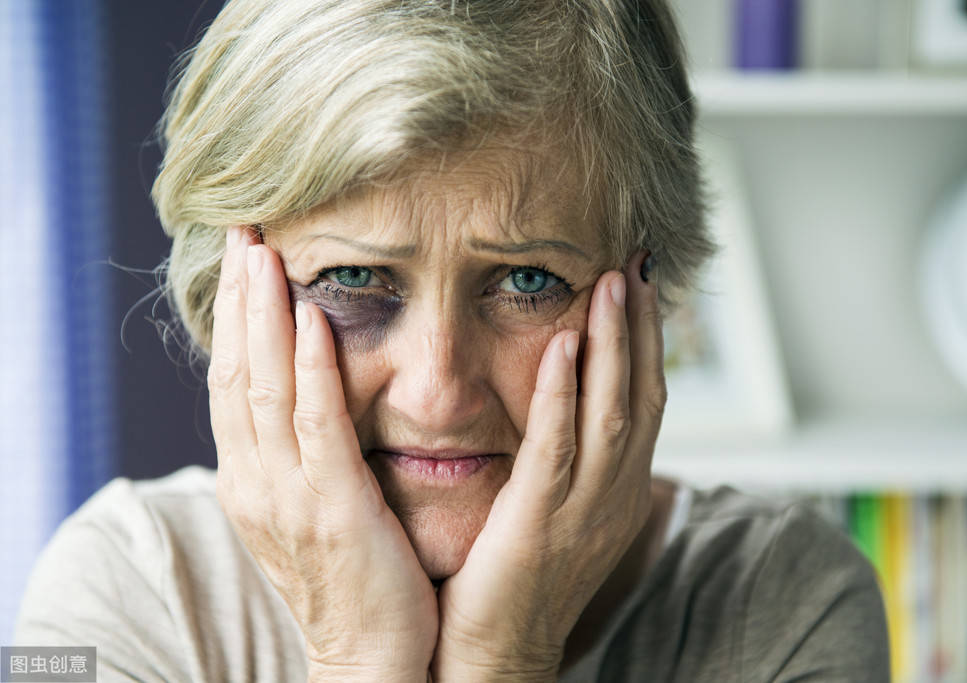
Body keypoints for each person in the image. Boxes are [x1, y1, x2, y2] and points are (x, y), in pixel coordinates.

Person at [14, 0, 890, 680]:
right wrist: (360, 659)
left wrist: (507, 660)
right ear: (229, 293)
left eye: (526, 281)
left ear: (646, 303)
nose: (437, 392)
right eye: (354, 280)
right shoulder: (112, 585)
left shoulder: (792, 599)